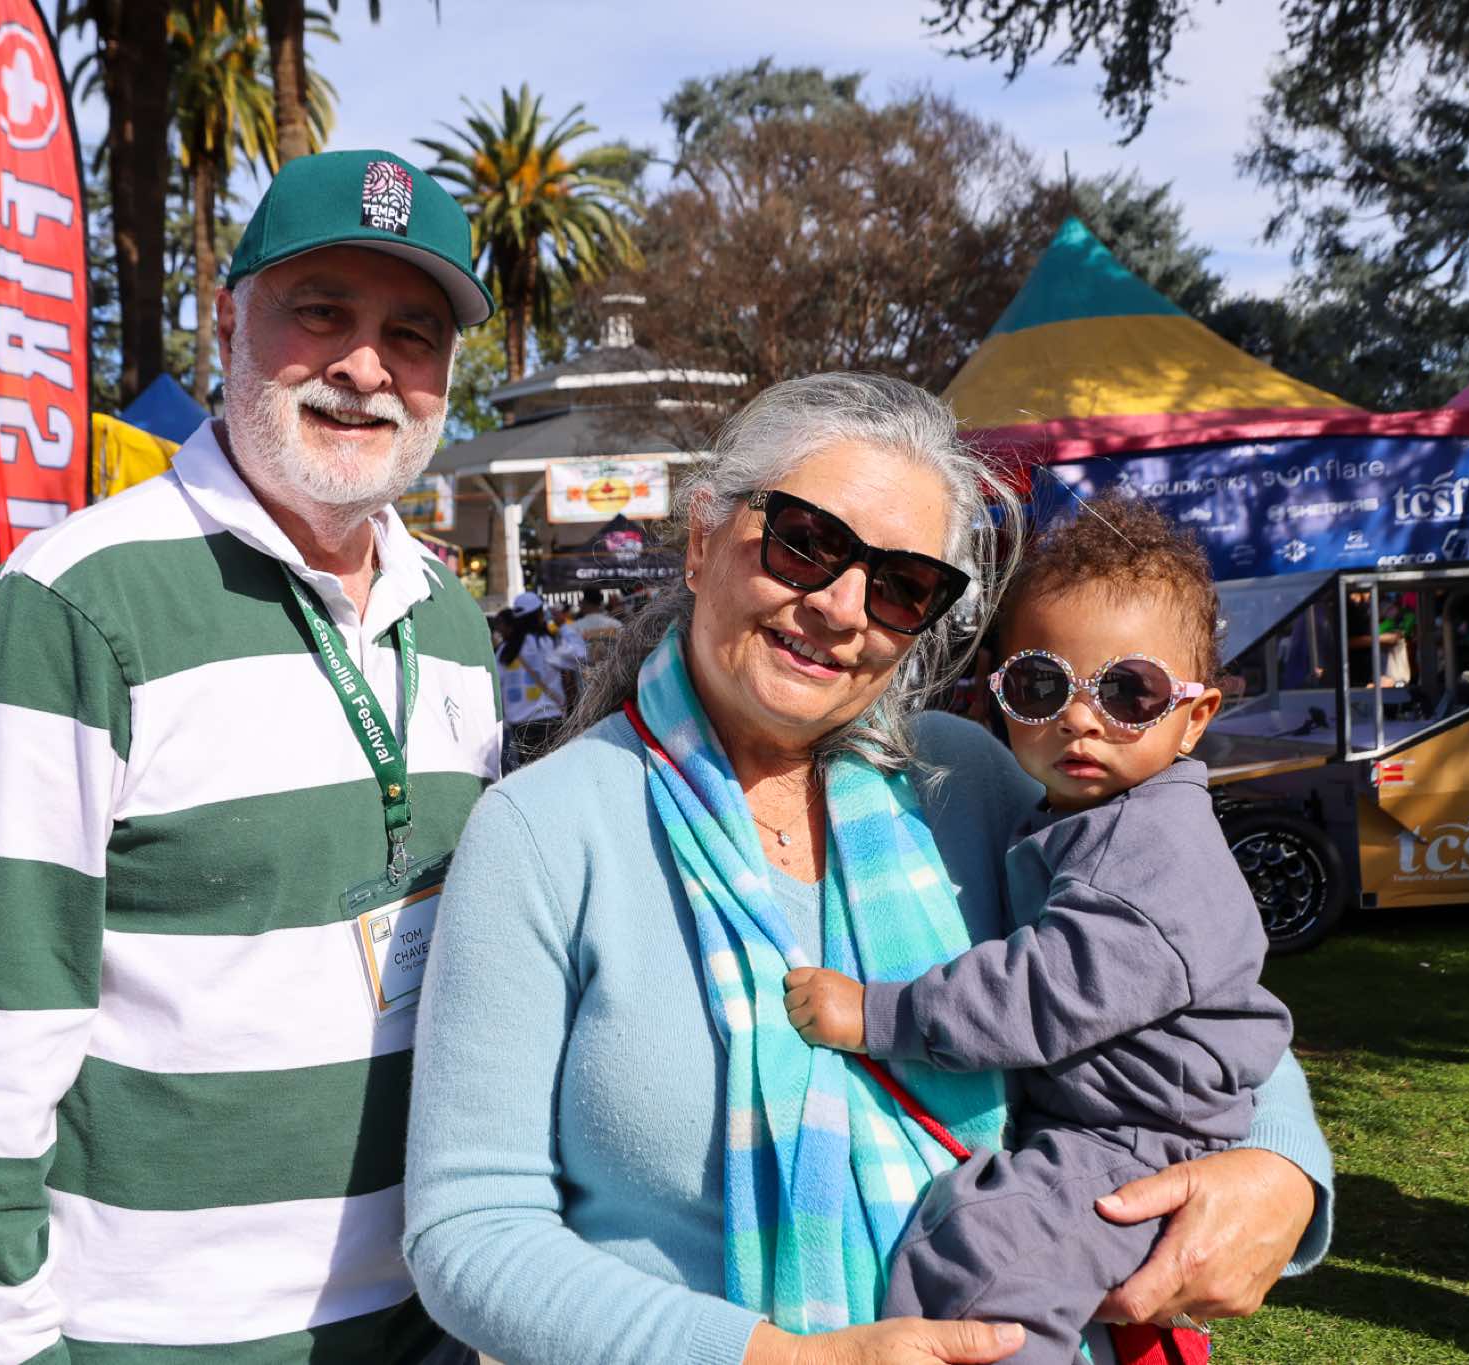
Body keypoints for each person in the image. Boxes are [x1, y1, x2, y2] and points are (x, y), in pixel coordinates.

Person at [403, 374, 1333, 1365]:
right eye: (804, 542)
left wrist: (1282, 1169)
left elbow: (1182, 979)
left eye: (901, 585)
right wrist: (785, 1360)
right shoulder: (545, 830)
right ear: (703, 536)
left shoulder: (972, 779)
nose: (843, 608)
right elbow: (469, 1234)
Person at [0, 149, 503, 1364]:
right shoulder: (74, 605)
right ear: (228, 322)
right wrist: (0, 1344)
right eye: (322, 313)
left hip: (424, 1311)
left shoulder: (453, 621)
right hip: (157, 1335)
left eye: (411, 335)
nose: (366, 367)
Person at [783, 493, 1292, 1363]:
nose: (1080, 717)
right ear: (997, 692)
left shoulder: (1151, 847)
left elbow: (1038, 994)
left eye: (1131, 691)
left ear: (1196, 716)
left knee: (982, 1272)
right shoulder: (1081, 815)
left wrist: (874, 1013)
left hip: (1140, 1141)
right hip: (1106, 1127)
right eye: (1041, 685)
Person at [496, 590, 586, 770]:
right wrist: (563, 626)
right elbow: (581, 653)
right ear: (539, 615)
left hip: (518, 727)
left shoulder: (504, 651)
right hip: (550, 721)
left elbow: (495, 686)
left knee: (527, 774)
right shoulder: (548, 644)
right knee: (555, 772)